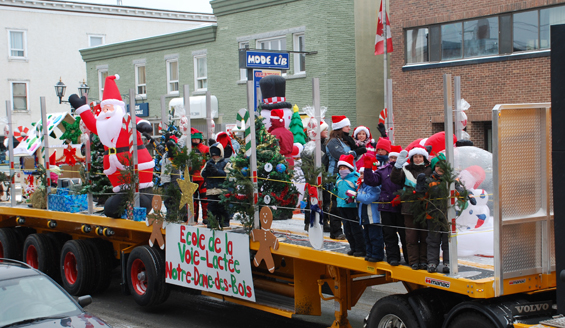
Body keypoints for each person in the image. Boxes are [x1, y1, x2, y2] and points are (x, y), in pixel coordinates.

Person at [69, 74, 154, 218]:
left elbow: (137, 121)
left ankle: (142, 198)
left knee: (142, 194)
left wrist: (143, 125)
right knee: (116, 201)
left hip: (136, 162)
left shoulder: (125, 119)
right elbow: (90, 122)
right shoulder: (102, 126)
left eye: (109, 108)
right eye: (104, 108)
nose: (106, 111)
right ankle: (122, 199)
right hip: (115, 167)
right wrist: (81, 107)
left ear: (118, 107)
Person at [390, 145, 432, 270]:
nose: (418, 159)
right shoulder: (405, 170)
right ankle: (413, 261)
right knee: (411, 237)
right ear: (411, 158)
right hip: (409, 209)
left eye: (420, 156)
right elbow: (395, 179)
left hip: (425, 208)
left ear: (424, 158)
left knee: (425, 237)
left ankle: (424, 260)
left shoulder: (429, 170)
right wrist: (397, 167)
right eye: (415, 157)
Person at [326, 115, 366, 240]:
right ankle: (336, 230)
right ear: (340, 128)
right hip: (336, 176)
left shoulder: (345, 141)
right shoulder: (332, 142)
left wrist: (356, 148)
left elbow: (352, 158)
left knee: (348, 204)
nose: (349, 128)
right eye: (347, 126)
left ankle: (350, 229)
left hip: (350, 175)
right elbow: (341, 156)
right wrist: (355, 152)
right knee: (337, 204)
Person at [335, 154, 365, 256]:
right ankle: (353, 247)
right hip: (342, 206)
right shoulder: (338, 179)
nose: (342, 170)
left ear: (350, 168)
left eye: (344, 167)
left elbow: (359, 190)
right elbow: (336, 190)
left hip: (352, 207)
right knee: (347, 229)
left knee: (355, 228)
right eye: (340, 168)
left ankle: (360, 248)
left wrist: (353, 198)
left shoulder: (354, 178)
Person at [356, 167, 384, 262]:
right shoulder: (361, 186)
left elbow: (368, 198)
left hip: (373, 216)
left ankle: (377, 254)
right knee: (367, 236)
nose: (362, 176)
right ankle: (369, 253)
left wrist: (356, 196)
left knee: (375, 237)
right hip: (364, 216)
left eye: (364, 174)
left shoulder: (374, 186)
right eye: (361, 174)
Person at [201, 143, 231, 228]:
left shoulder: (225, 162)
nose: (214, 157)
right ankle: (212, 223)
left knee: (223, 209)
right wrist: (206, 171)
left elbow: (228, 174)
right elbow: (202, 174)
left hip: (222, 191)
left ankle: (224, 223)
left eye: (216, 155)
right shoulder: (209, 163)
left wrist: (217, 172)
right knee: (211, 209)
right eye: (213, 156)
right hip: (211, 191)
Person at [191, 128, 209, 224]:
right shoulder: (188, 149)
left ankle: (206, 216)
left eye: (197, 139)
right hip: (192, 178)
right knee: (193, 200)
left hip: (202, 178)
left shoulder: (205, 149)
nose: (195, 141)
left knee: (205, 199)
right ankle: (193, 216)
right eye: (194, 139)